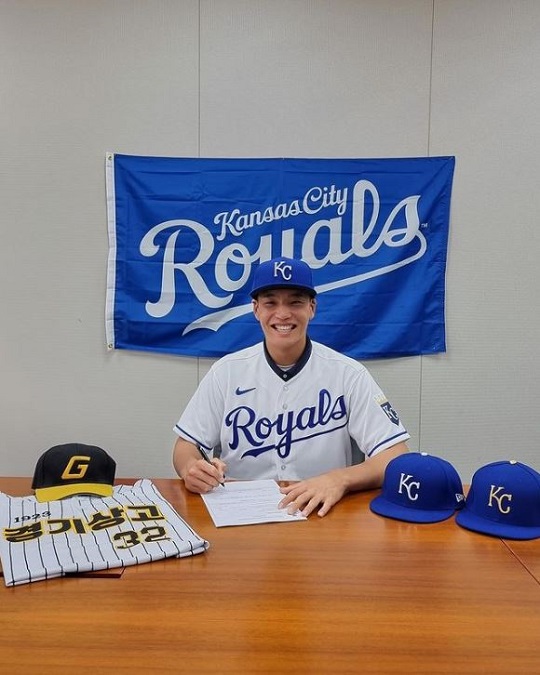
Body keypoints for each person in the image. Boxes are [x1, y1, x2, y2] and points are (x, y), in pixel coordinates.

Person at [173, 256, 409, 517]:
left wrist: (339, 479)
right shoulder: (226, 372)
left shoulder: (348, 374)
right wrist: (190, 468)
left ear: (312, 308)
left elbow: (395, 456)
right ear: (256, 309)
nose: (283, 314)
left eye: (295, 302)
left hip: (322, 511)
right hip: (241, 510)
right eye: (270, 302)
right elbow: (185, 447)